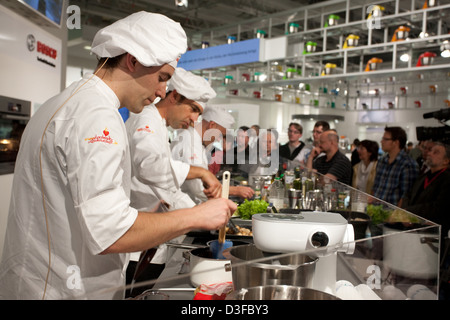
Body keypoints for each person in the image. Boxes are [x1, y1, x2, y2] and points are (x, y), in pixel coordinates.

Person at [0, 12, 236, 300]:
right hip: (62, 289)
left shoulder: (70, 100)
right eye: (162, 78)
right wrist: (195, 216)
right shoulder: (97, 115)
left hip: (41, 279)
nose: (162, 92)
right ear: (133, 59)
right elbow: (112, 231)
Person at [124, 67, 220, 294]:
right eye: (193, 109)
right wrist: (201, 172)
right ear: (174, 96)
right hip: (135, 237)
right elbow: (151, 167)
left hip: (148, 233)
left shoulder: (159, 126)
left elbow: (166, 187)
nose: (195, 119)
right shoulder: (146, 119)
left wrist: (199, 216)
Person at [172, 106, 254, 203]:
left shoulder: (198, 143)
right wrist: (235, 190)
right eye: (220, 135)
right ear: (212, 125)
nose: (219, 139)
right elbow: (200, 188)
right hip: (182, 204)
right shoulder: (189, 142)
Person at [400, 142, 450, 254]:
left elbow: (438, 207)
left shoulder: (447, 179)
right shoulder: (423, 176)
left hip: (432, 237)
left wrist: (410, 213)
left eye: (435, 152)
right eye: (430, 151)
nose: (430, 153)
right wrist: (404, 212)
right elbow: (408, 195)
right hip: (412, 231)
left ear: (446, 161)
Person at [371, 126, 419, 206]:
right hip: (376, 210)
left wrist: (395, 217)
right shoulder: (382, 161)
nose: (381, 141)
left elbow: (405, 197)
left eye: (385, 139)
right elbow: (375, 187)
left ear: (396, 142)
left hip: (391, 214)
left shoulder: (408, 164)